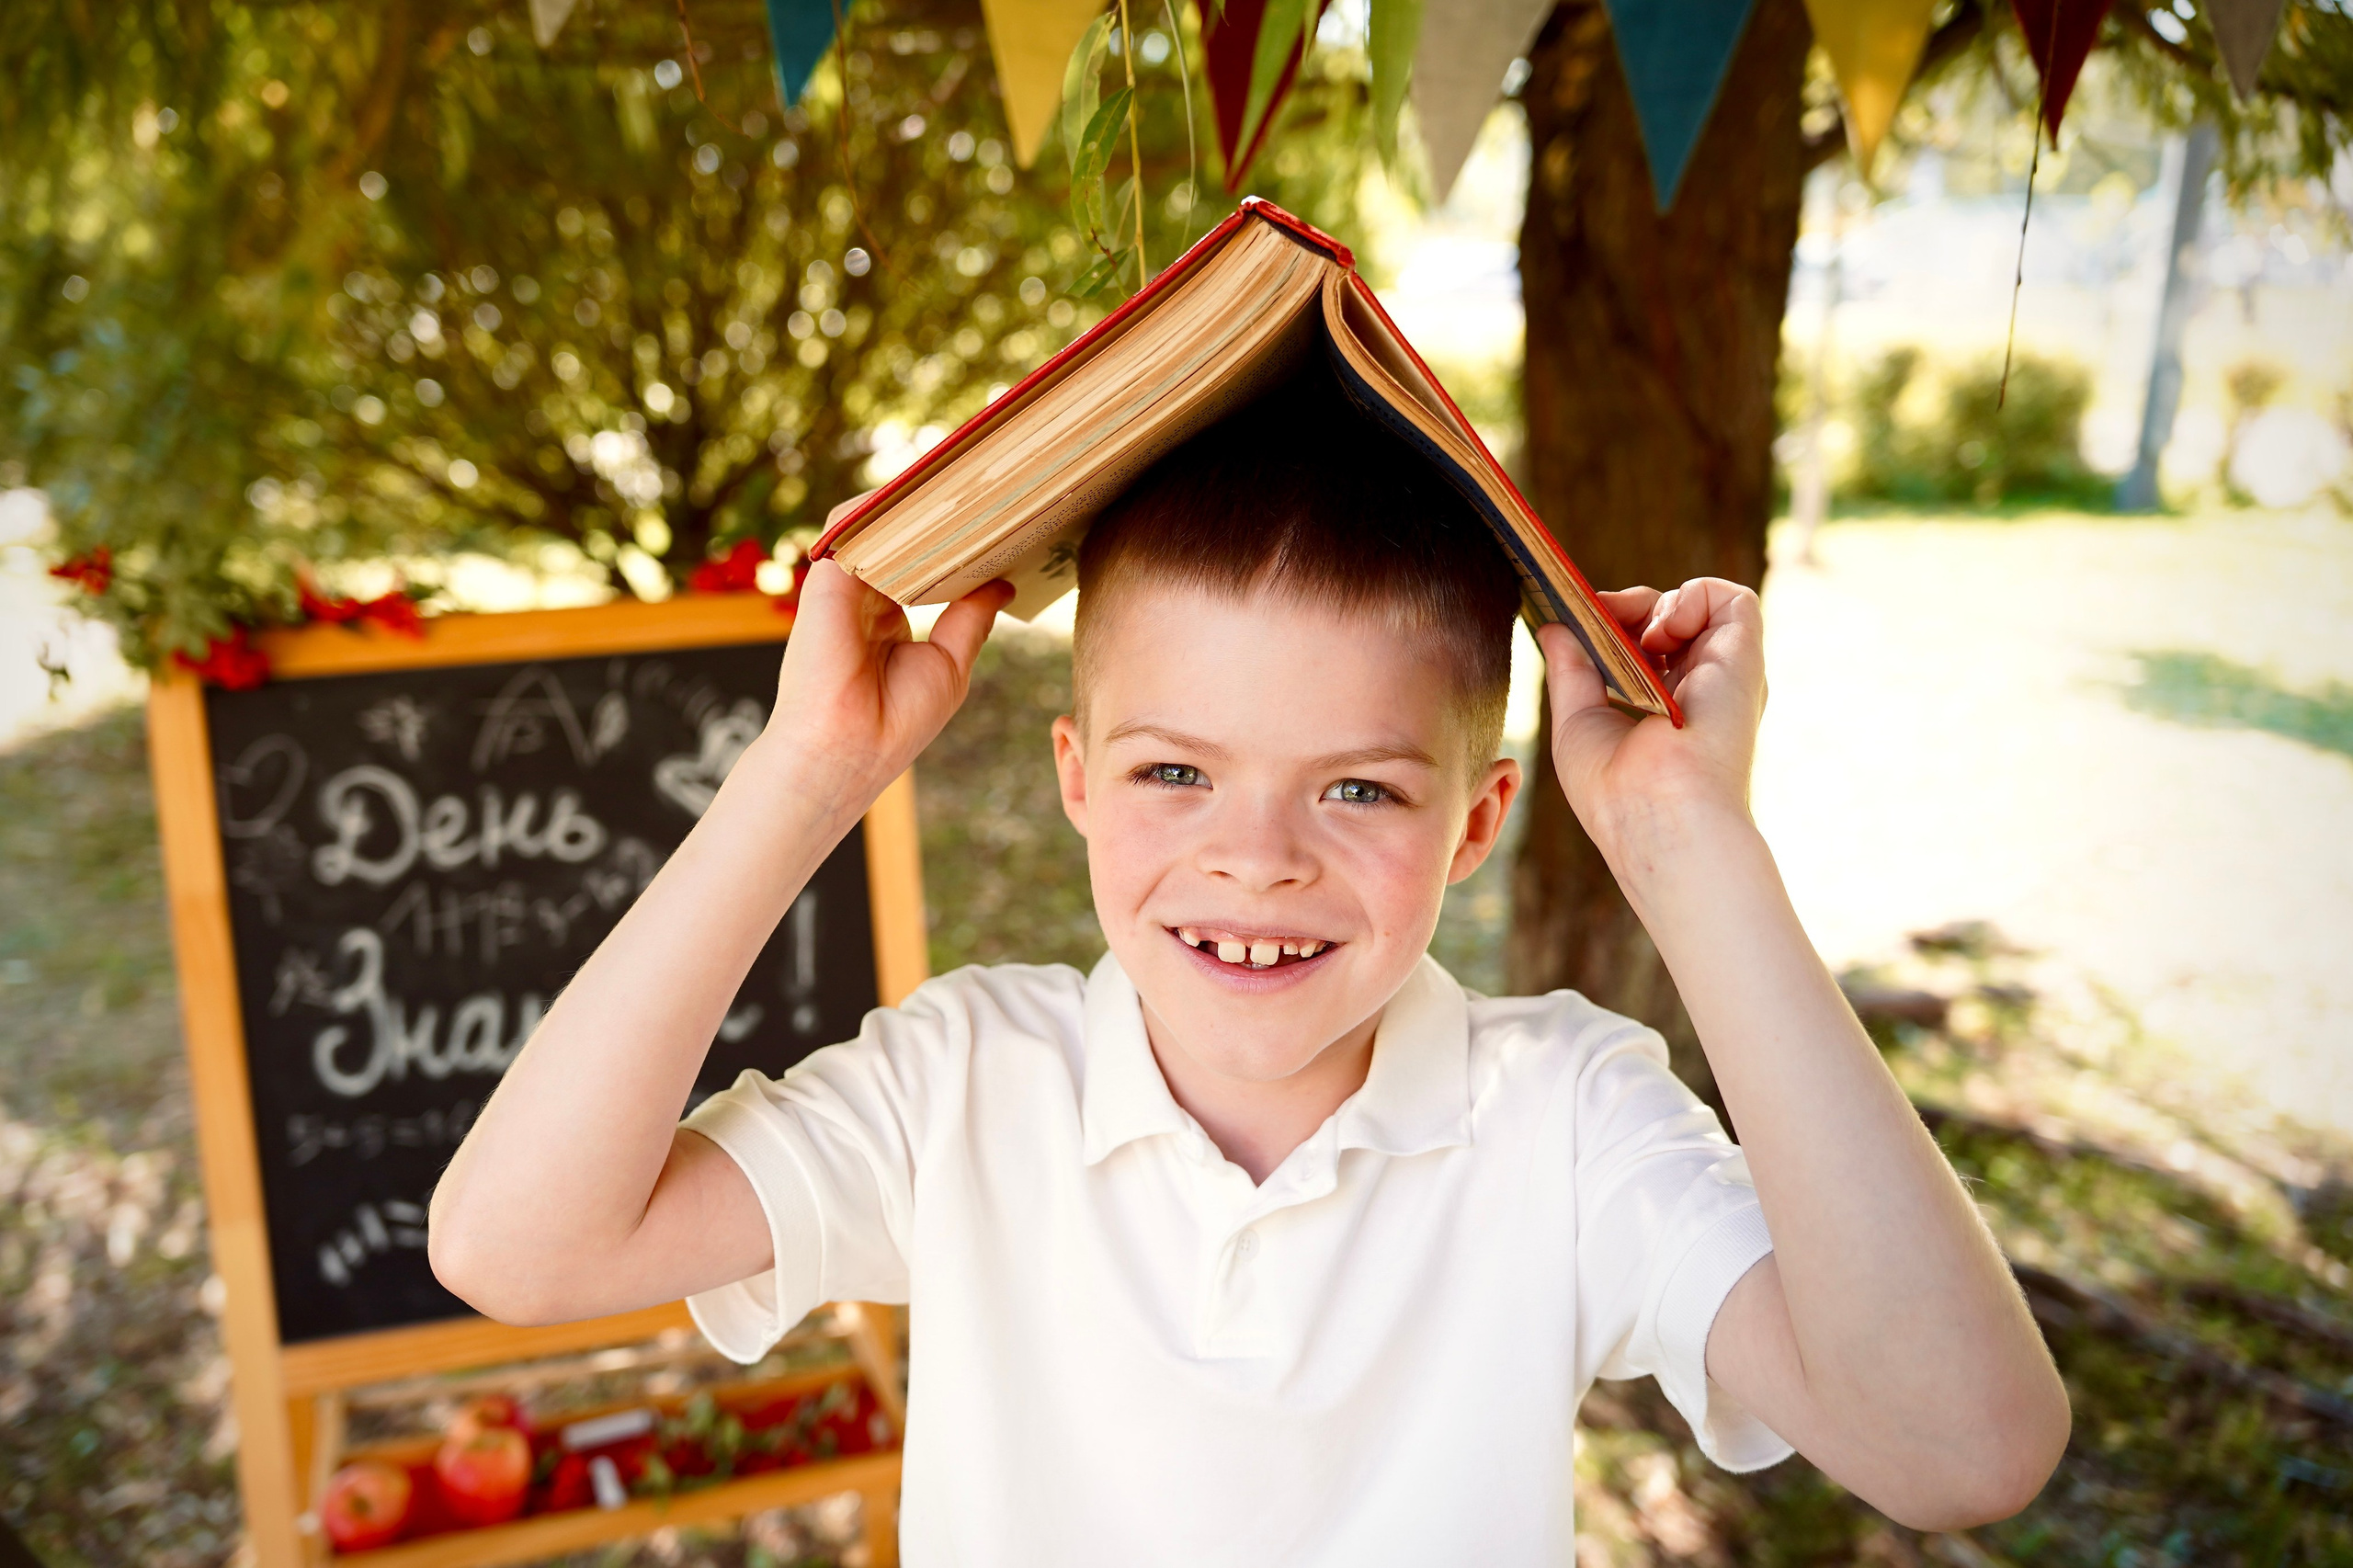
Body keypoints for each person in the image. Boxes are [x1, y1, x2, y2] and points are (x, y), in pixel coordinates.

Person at [428, 370, 2069, 1563]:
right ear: (1075, 774)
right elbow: (517, 1244)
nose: (1257, 857)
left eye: (1357, 787)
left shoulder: (1564, 1122)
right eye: (1174, 773)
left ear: (1480, 817)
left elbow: (1961, 1444)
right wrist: (806, 783)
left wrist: (1687, 848)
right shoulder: (965, 1088)